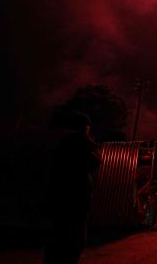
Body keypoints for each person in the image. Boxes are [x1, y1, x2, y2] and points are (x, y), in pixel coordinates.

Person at [44, 111, 101, 264]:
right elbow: (94, 163)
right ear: (85, 128)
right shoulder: (78, 144)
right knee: (72, 243)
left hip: (62, 202)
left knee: (58, 243)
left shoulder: (62, 144)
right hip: (75, 202)